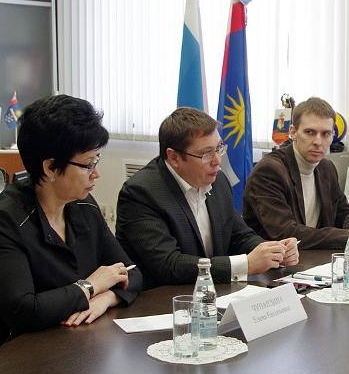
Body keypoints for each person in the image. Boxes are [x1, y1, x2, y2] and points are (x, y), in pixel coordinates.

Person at [0, 94, 141, 361]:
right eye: (88, 164)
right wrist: (90, 286)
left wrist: (106, 298)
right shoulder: (3, 222)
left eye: (96, 161)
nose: (96, 173)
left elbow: (131, 272)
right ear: (51, 167)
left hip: (73, 349)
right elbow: (24, 311)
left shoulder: (83, 205)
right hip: (12, 360)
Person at [116, 107, 298, 287]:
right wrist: (246, 264)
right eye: (206, 154)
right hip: (161, 298)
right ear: (174, 158)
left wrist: (273, 252)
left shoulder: (218, 181)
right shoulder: (141, 193)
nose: (217, 161)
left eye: (219, 148)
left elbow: (239, 235)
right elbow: (169, 265)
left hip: (213, 292)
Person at [243, 97, 349, 249]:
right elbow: (286, 233)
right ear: (293, 132)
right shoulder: (269, 171)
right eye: (310, 132)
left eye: (326, 134)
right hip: (278, 260)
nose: (318, 141)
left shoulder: (326, 168)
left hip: (316, 257)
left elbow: (343, 211)